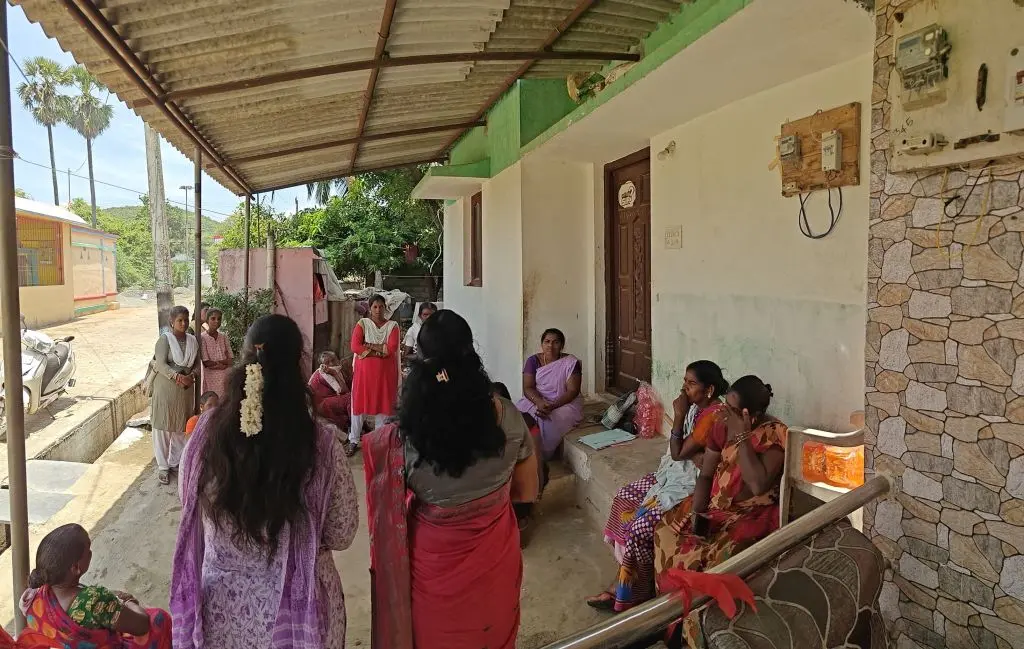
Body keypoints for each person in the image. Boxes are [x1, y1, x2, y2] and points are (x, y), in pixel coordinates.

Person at [171, 314, 359, 649]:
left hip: (223, 616)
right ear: (298, 368)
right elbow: (341, 534)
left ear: (244, 361)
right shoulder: (323, 447)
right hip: (297, 621)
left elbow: (188, 500)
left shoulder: (204, 435)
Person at [364, 310, 539, 649]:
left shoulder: (402, 437)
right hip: (494, 564)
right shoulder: (509, 416)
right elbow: (526, 492)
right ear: (470, 353)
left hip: (432, 569)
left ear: (420, 359)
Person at [653, 375, 787, 648]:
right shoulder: (721, 426)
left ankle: (699, 632)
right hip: (717, 507)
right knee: (666, 531)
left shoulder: (774, 436)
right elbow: (706, 475)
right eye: (726, 406)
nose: (725, 413)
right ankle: (672, 621)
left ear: (753, 416)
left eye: (734, 411)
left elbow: (757, 483)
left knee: (714, 560)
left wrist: (742, 436)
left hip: (752, 513)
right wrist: (697, 515)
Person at [588, 361, 729, 612]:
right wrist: (691, 452)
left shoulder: (712, 415)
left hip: (693, 483)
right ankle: (626, 576)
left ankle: (634, 590)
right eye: (684, 381)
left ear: (709, 390)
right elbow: (682, 453)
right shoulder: (698, 408)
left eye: (691, 384)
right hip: (676, 472)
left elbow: (678, 452)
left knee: (640, 525)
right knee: (623, 497)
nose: (684, 388)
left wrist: (679, 416)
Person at [20, 523, 172, 649]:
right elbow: (142, 625)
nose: (91, 552)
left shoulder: (34, 599)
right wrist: (128, 602)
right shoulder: (95, 601)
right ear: (76, 567)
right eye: (88, 548)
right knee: (158, 617)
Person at [150, 306, 200, 485]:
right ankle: (163, 467)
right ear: (171, 321)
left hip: (185, 390)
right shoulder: (164, 340)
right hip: (166, 389)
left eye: (186, 320)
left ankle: (175, 462)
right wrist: (177, 377)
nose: (183, 323)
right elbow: (160, 364)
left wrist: (191, 376)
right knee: (163, 428)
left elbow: (197, 364)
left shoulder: (193, 341)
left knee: (181, 427)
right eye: (179, 320)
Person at [516, 328, 584, 458]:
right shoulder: (533, 361)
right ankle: (522, 452)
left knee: (546, 421)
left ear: (562, 345)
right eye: (547, 341)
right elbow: (528, 387)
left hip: (564, 403)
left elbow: (573, 391)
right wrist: (539, 402)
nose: (550, 346)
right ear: (542, 344)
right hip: (537, 399)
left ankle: (539, 454)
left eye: (556, 342)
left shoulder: (570, 362)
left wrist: (552, 406)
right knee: (522, 417)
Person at [348, 294, 400, 455]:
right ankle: (353, 440)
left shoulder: (393, 326)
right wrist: (379, 351)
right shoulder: (362, 324)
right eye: (375, 307)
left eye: (381, 306)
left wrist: (368, 345)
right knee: (358, 406)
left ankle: (379, 443)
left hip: (385, 374)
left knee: (383, 406)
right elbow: (355, 346)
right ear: (370, 309)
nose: (378, 310)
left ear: (385, 308)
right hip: (364, 374)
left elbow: (391, 348)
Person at [309, 351, 352, 432]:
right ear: (323, 365)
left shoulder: (338, 371)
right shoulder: (324, 372)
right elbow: (344, 391)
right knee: (350, 398)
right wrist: (334, 373)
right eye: (327, 362)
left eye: (333, 360)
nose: (331, 364)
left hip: (327, 401)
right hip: (321, 405)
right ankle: (355, 429)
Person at [200, 308, 233, 398]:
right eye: (213, 318)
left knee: (224, 401)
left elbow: (231, 360)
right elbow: (206, 362)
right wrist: (223, 363)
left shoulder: (224, 337)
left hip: (225, 377)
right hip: (210, 378)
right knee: (212, 401)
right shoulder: (202, 338)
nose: (216, 321)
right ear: (207, 320)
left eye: (219, 319)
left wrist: (218, 363)